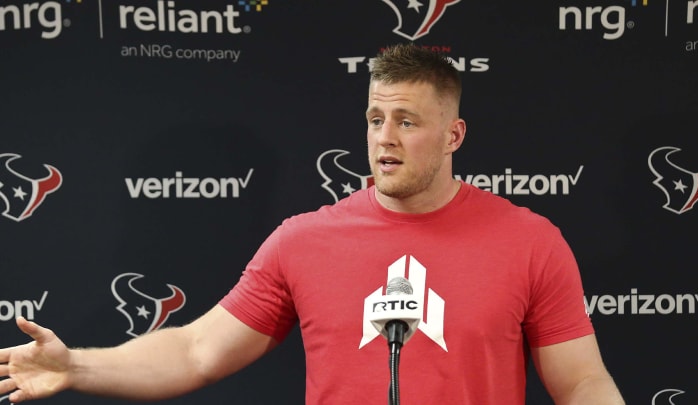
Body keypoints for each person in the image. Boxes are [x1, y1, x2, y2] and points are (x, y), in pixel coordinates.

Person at [0, 43, 625, 404]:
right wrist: (76, 366)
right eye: (375, 119)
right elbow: (196, 350)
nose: (385, 138)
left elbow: (582, 383)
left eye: (407, 121)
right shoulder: (305, 239)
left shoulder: (529, 240)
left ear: (453, 135)